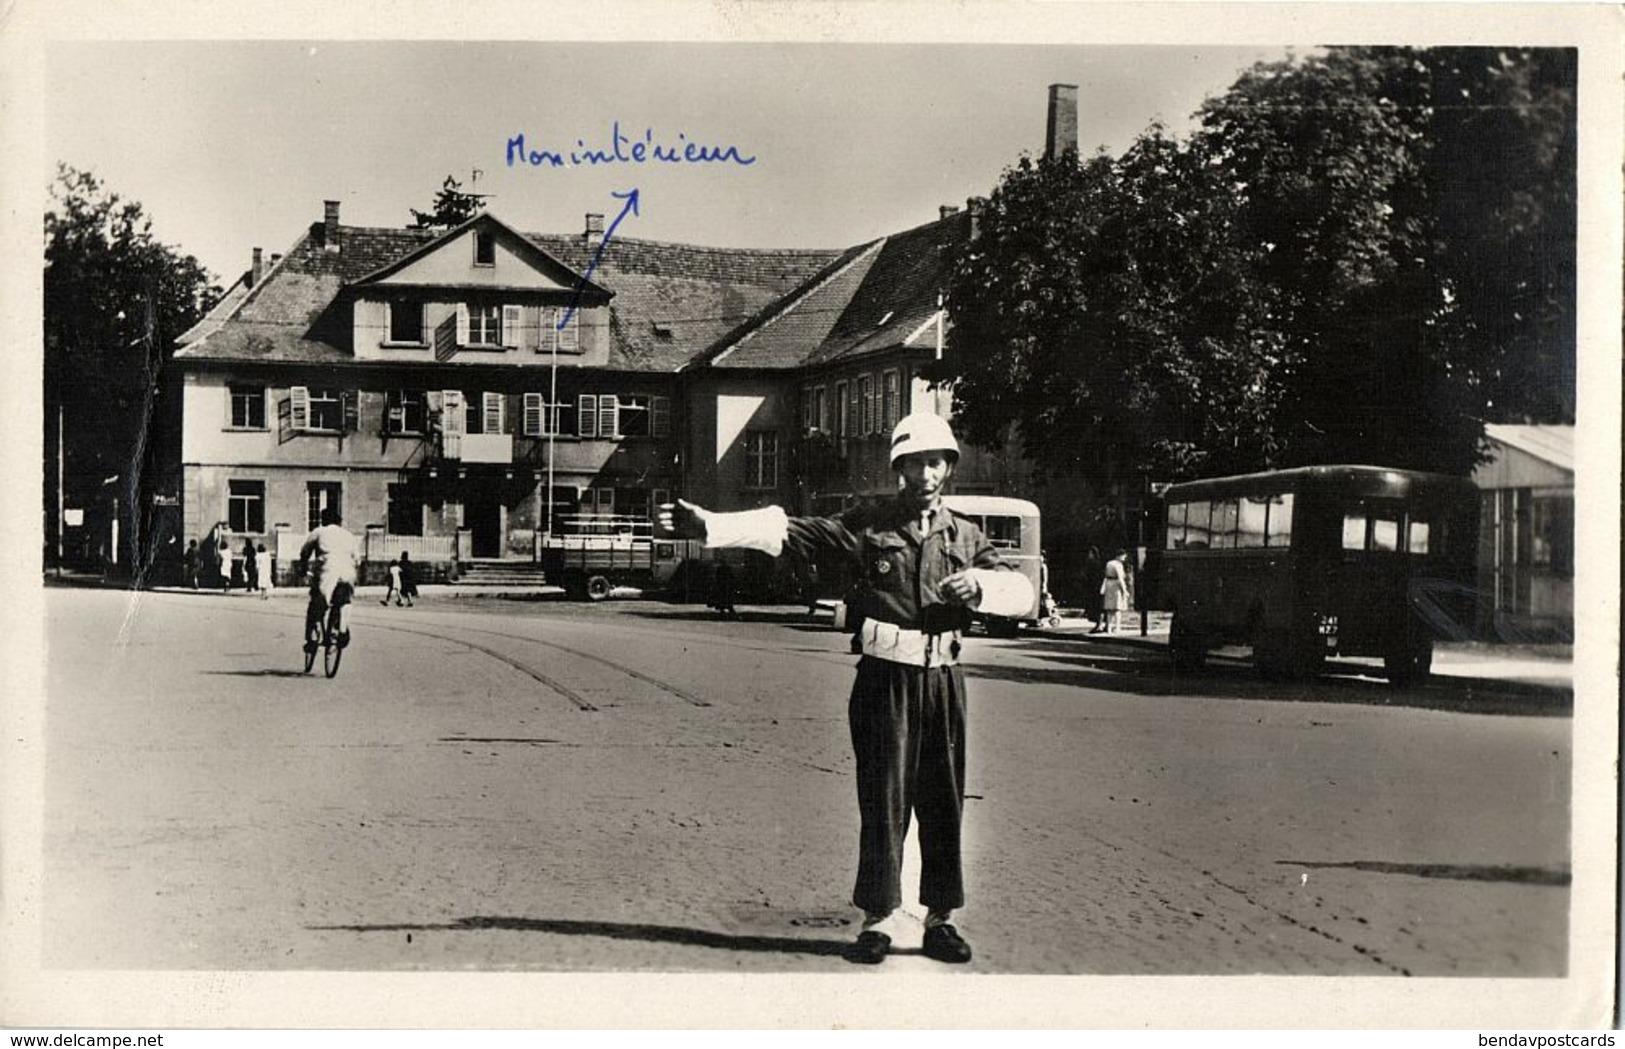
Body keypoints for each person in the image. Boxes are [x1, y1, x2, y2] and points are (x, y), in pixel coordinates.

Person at [659, 412, 1032, 966]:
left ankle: (940, 918)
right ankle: (879, 917)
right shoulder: (870, 525)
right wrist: (713, 526)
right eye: (914, 463)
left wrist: (980, 585)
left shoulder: (967, 536)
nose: (926, 473)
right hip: (885, 681)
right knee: (883, 799)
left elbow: (1022, 592)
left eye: (935, 462)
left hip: (943, 683)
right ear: (899, 468)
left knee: (943, 799)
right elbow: (796, 530)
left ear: (948, 468)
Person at [297, 509, 360, 652]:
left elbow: (305, 551)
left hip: (328, 570)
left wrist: (302, 568)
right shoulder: (348, 535)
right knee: (345, 601)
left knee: (317, 603)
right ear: (339, 521)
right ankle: (342, 629)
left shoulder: (319, 532)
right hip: (348, 570)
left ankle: (312, 637)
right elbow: (357, 558)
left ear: (323, 520)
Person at [1100, 548, 1132, 634]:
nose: (1124, 558)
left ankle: (1109, 627)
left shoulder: (1109, 563)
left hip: (1108, 585)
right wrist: (1125, 590)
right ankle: (1117, 627)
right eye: (1124, 556)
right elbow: (1120, 578)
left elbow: (1105, 575)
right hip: (1116, 585)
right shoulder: (1118, 565)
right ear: (1120, 556)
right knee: (1117, 608)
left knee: (1109, 608)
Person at [1083, 545, 1105, 632]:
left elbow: (1092, 576)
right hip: (1093, 587)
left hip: (1094, 588)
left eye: (1090, 553)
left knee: (1097, 607)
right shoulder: (1095, 563)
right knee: (1096, 607)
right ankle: (1099, 624)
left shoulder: (1094, 564)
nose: (1089, 555)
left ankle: (1099, 624)